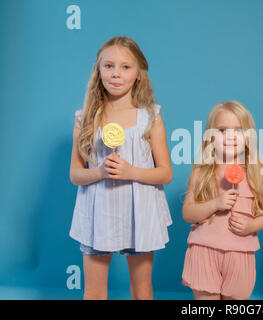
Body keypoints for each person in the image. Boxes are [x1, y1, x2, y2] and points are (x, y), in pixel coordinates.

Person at [69, 36, 172, 300]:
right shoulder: (85, 118)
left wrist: (131, 172)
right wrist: (101, 172)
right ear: (98, 70)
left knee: (142, 290)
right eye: (109, 66)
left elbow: (165, 173)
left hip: (140, 213)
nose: (116, 74)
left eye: (126, 67)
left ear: (138, 74)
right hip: (98, 213)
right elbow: (75, 174)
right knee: (94, 291)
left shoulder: (150, 118)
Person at [181, 100, 263, 300]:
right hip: (204, 250)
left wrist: (252, 225)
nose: (231, 136)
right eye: (222, 130)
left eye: (238, 130)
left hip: (240, 252)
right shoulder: (201, 171)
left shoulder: (255, 171)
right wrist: (215, 203)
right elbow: (188, 213)